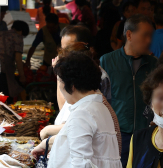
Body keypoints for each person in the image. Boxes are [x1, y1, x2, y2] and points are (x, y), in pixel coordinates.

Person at [40, 25, 122, 156]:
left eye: (68, 49)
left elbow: (78, 127)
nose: (63, 55)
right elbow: (66, 108)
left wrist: (48, 133)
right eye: (62, 50)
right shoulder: (84, 97)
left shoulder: (92, 85)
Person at [100, 14, 158, 168]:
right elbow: (99, 98)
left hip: (147, 132)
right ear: (129, 35)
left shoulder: (154, 64)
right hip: (118, 134)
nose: (149, 41)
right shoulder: (106, 61)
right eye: (145, 35)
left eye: (151, 36)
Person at [0, 20, 29, 102]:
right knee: (6, 97)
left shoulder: (1, 33)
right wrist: (22, 76)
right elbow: (18, 58)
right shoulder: (18, 37)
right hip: (5, 70)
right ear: (21, 32)